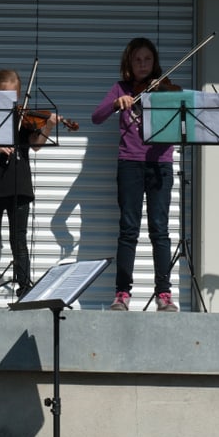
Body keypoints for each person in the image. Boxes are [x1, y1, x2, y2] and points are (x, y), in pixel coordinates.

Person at [92, 37, 178, 312]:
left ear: (155, 62)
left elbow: (180, 123)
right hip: (129, 163)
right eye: (137, 60)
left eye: (148, 60)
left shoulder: (165, 89)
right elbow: (96, 116)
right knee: (128, 229)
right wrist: (117, 103)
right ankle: (122, 294)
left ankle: (164, 293)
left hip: (160, 163)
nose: (143, 65)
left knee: (159, 230)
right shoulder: (121, 88)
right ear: (129, 63)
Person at [0, 69, 58, 307]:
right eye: (4, 96)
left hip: (19, 185)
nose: (10, 102)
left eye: (13, 96)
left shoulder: (25, 117)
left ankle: (24, 289)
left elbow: (36, 145)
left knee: (19, 241)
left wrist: (48, 126)